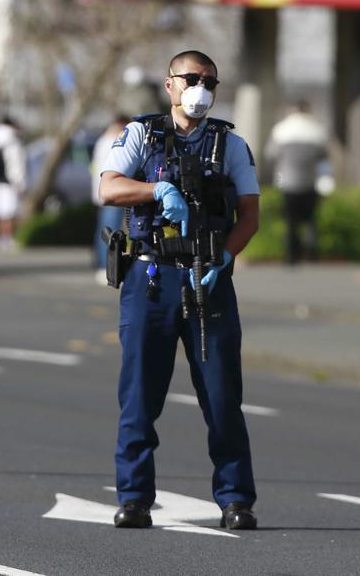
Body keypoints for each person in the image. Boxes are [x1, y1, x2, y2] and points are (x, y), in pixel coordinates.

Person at [98, 50, 261, 531]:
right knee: (140, 397)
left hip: (207, 279)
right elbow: (108, 188)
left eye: (209, 80)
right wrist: (156, 191)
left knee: (222, 396)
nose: (200, 88)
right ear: (169, 85)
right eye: (191, 78)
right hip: (151, 279)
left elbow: (250, 215)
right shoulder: (141, 135)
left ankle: (235, 500)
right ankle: (133, 498)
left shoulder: (229, 145)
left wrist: (225, 256)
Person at [265, 100, 329, 265]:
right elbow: (324, 157)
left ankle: (291, 255)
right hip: (310, 181)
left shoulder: (281, 129)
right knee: (310, 219)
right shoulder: (316, 130)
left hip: (287, 181)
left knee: (290, 220)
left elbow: (271, 155)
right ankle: (312, 253)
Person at [92, 117, 131, 285]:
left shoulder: (102, 141)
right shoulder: (113, 142)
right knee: (111, 233)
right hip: (112, 194)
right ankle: (105, 267)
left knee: (104, 230)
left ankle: (101, 264)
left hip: (103, 193)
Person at [0, 116, 26, 250]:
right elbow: (15, 167)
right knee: (9, 213)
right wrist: (20, 184)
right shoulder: (12, 142)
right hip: (9, 183)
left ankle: (2, 238)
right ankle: (8, 239)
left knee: (1, 214)